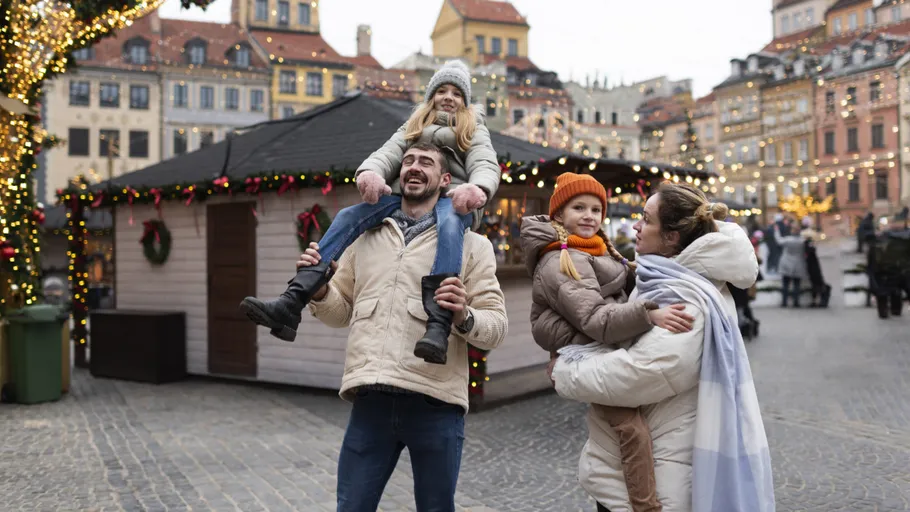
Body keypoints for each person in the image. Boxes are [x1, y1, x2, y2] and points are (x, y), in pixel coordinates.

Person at [241, 60, 500, 366]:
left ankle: (438, 323)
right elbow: (387, 153)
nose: (449, 97)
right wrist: (371, 173)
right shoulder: (414, 126)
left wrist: (477, 189)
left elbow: (485, 162)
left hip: (454, 200)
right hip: (406, 197)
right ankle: (293, 299)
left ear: (466, 101)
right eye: (442, 90)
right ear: (431, 97)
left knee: (449, 225)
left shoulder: (473, 129)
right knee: (350, 215)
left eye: (457, 93)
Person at [296, 142, 507, 512]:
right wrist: (320, 291)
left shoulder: (473, 246)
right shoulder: (364, 238)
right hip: (370, 402)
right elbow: (339, 313)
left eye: (426, 162)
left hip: (436, 402)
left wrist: (464, 315)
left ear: (445, 180)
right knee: (352, 507)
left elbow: (497, 327)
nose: (413, 167)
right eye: (408, 161)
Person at [549, 183, 773, 512]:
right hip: (638, 462)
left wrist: (565, 369)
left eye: (646, 219)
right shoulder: (669, 279)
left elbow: (641, 373)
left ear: (671, 238)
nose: (636, 226)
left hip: (657, 471)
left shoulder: (686, 298)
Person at [520, 173, 695, 512]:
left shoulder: (599, 249)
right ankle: (645, 506)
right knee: (631, 430)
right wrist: (648, 314)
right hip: (584, 351)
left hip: (599, 348)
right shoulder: (561, 258)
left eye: (596, 209)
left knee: (623, 435)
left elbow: (623, 281)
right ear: (559, 215)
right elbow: (594, 319)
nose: (589, 216)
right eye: (578, 207)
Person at [775, 221, 808, 308]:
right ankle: (796, 302)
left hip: (786, 263)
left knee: (785, 284)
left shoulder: (787, 240)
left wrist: (776, 231)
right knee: (796, 284)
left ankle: (784, 302)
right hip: (798, 263)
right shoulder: (802, 241)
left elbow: (778, 241)